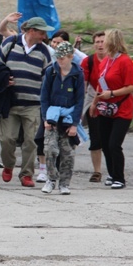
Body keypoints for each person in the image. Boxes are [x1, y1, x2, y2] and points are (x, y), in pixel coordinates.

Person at [0, 17, 53, 188]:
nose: (44, 36)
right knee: (7, 139)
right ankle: (8, 164)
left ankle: (27, 174)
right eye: (41, 32)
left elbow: (48, 79)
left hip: (33, 105)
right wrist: (3, 80)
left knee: (31, 141)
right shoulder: (10, 44)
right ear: (31, 31)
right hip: (10, 102)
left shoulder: (44, 52)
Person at [89, 29, 133, 190]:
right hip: (106, 107)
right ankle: (111, 173)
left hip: (122, 109)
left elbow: (132, 86)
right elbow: (100, 83)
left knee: (114, 144)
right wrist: (94, 102)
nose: (101, 43)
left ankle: (120, 177)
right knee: (104, 143)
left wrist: (112, 93)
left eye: (105, 40)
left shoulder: (125, 61)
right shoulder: (106, 61)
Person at [40, 42, 85, 195]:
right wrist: (46, 118)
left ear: (71, 57)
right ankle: (51, 179)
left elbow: (80, 101)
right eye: (58, 57)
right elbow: (44, 97)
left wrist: (74, 124)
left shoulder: (77, 74)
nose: (60, 60)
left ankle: (64, 183)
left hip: (68, 119)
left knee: (67, 154)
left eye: (63, 58)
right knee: (50, 149)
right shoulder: (50, 72)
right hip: (52, 117)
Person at [81, 31, 107, 183]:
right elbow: (83, 86)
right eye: (97, 42)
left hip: (113, 102)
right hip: (93, 101)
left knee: (110, 140)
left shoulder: (116, 60)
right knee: (95, 138)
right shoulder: (88, 61)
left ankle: (114, 170)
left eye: (103, 41)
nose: (100, 45)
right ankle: (97, 171)